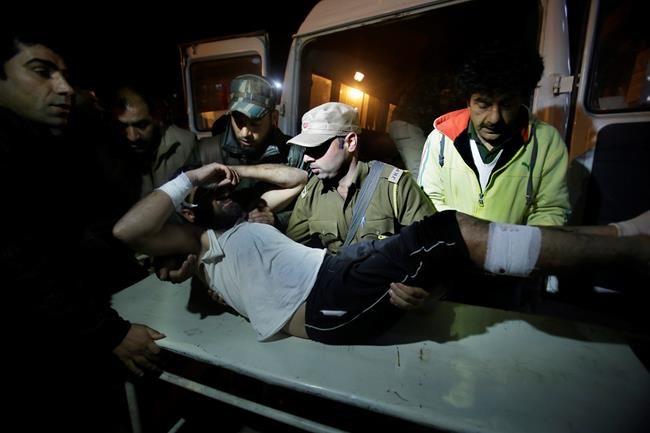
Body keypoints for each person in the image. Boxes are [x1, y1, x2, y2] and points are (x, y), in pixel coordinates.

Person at [113, 163, 650, 344]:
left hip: (337, 273)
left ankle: (619, 234)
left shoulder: (242, 220)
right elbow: (127, 231)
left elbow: (296, 177)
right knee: (450, 231)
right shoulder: (200, 242)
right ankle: (631, 253)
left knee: (457, 238)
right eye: (213, 194)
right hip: (325, 301)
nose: (225, 192)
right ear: (190, 212)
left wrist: (239, 171)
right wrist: (193, 175)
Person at [1, 31, 163, 430]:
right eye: (42, 72)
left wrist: (149, 270)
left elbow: (87, 237)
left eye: (65, 75)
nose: (64, 88)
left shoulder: (52, 146)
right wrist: (108, 332)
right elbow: (21, 264)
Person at [416, 42, 571, 307]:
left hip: (510, 277)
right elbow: (427, 202)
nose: (494, 118)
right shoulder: (440, 140)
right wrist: (460, 246)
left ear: (522, 98)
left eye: (506, 104)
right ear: (468, 99)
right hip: (448, 270)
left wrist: (512, 253)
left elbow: (550, 210)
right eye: (483, 104)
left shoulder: (546, 142)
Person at [196, 74, 306, 229]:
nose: (244, 133)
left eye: (255, 123)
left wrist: (278, 221)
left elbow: (309, 209)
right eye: (239, 122)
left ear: (274, 118)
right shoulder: (206, 152)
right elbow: (185, 208)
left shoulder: (293, 153)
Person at [112, 84, 198, 197]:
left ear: (157, 117)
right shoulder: (108, 155)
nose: (132, 137)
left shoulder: (185, 144)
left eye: (141, 125)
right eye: (123, 127)